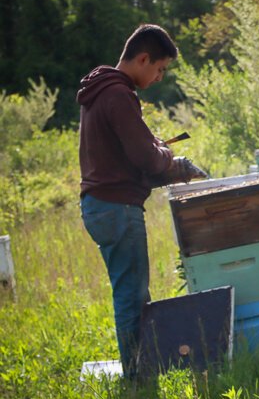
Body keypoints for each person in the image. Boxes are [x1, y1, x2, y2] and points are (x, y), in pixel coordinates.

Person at [77, 24, 203, 379]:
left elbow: (132, 159)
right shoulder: (118, 94)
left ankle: (139, 373)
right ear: (143, 58)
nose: (160, 76)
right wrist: (167, 155)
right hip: (117, 208)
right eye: (159, 68)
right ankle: (138, 379)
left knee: (131, 294)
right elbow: (146, 159)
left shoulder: (100, 91)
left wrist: (167, 163)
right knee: (132, 299)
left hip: (102, 205)